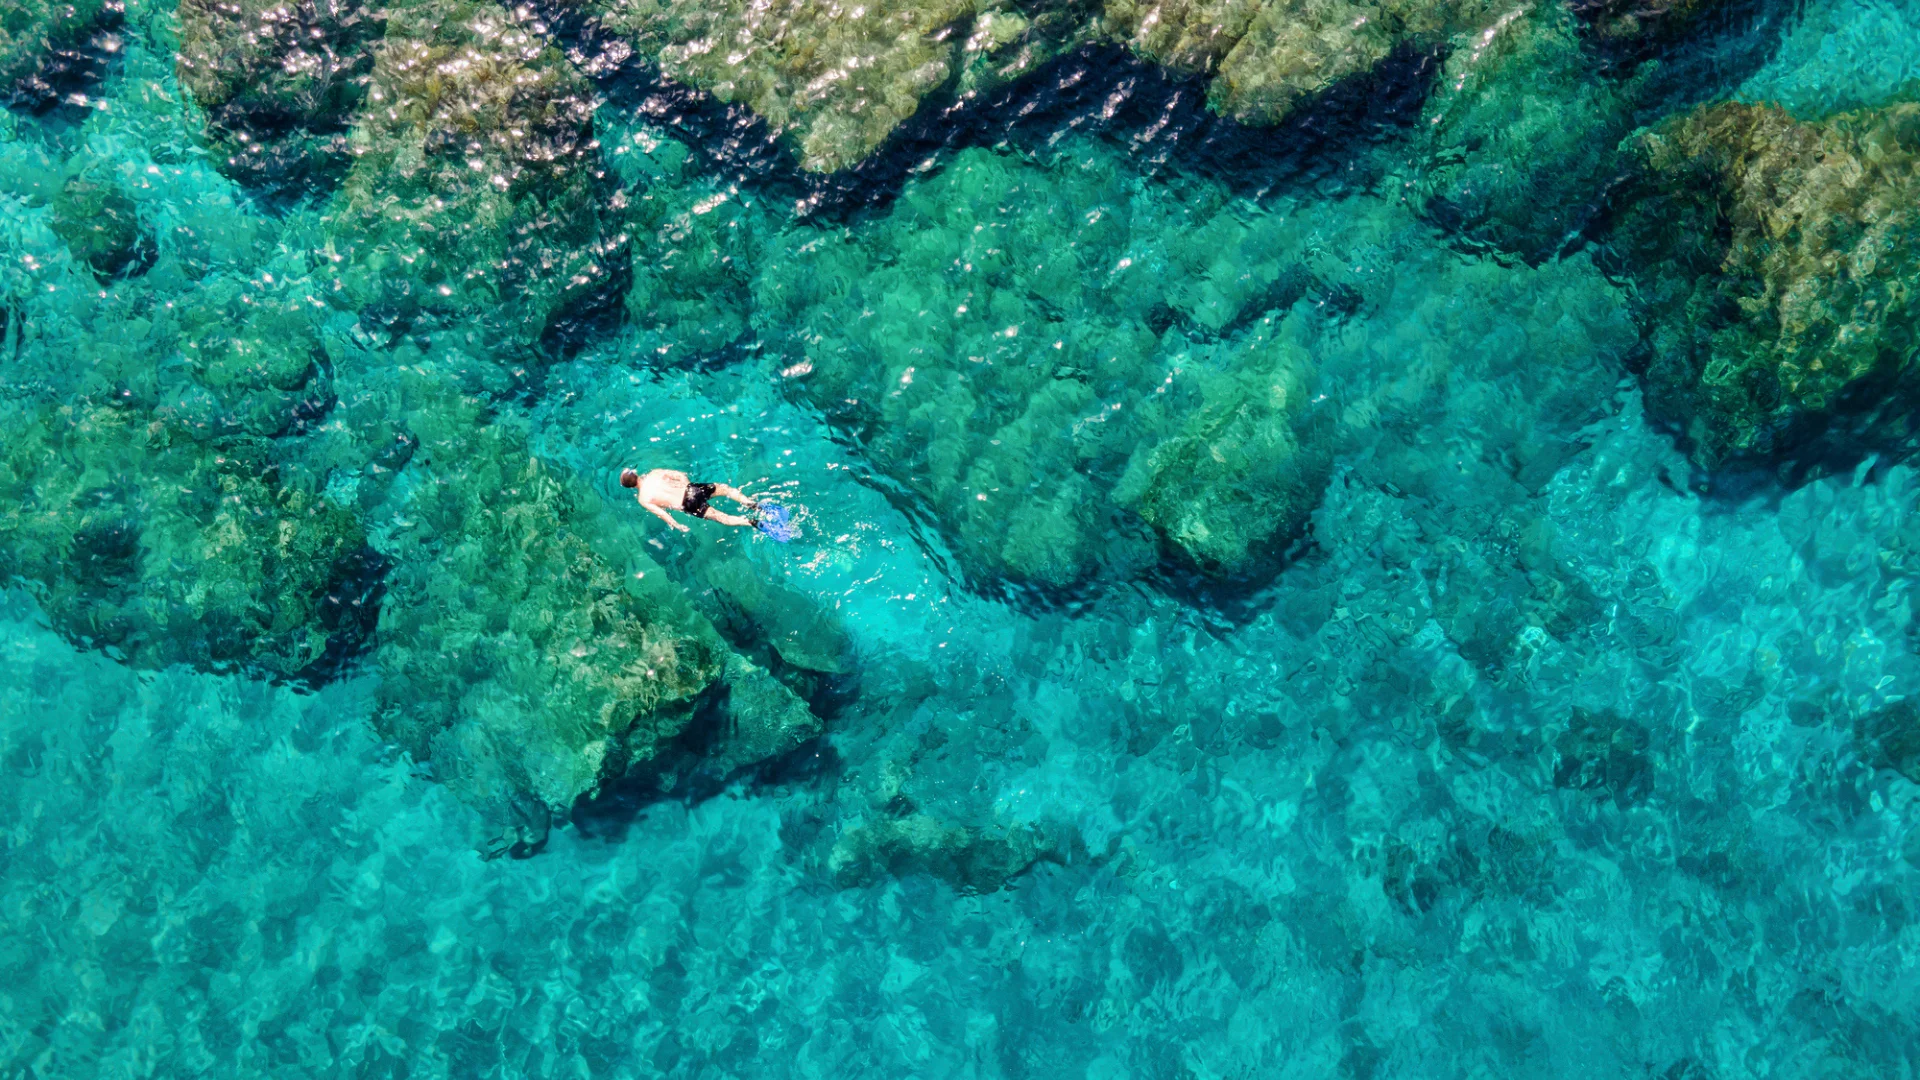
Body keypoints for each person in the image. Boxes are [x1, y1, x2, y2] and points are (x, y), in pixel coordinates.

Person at [621, 468, 758, 532]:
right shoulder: (654, 473)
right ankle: (750, 503)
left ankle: (749, 522)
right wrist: (688, 486)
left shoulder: (643, 499)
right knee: (725, 489)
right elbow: (679, 475)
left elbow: (662, 513)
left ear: (630, 487)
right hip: (691, 489)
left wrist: (676, 525)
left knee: (722, 518)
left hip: (687, 504)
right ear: (636, 474)